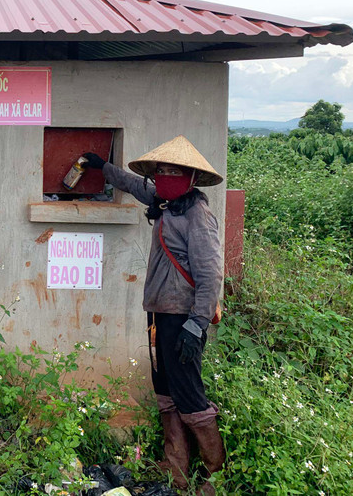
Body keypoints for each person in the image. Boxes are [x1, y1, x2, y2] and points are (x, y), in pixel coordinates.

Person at [83, 135, 226, 494]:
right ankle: (175, 466)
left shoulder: (197, 215)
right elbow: (134, 184)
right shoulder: (165, 202)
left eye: (173, 171)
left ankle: (214, 471)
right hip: (160, 314)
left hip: (184, 318)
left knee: (189, 391)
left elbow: (211, 276)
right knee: (165, 389)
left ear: (190, 177)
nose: (165, 176)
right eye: (161, 170)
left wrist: (196, 326)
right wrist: (103, 168)